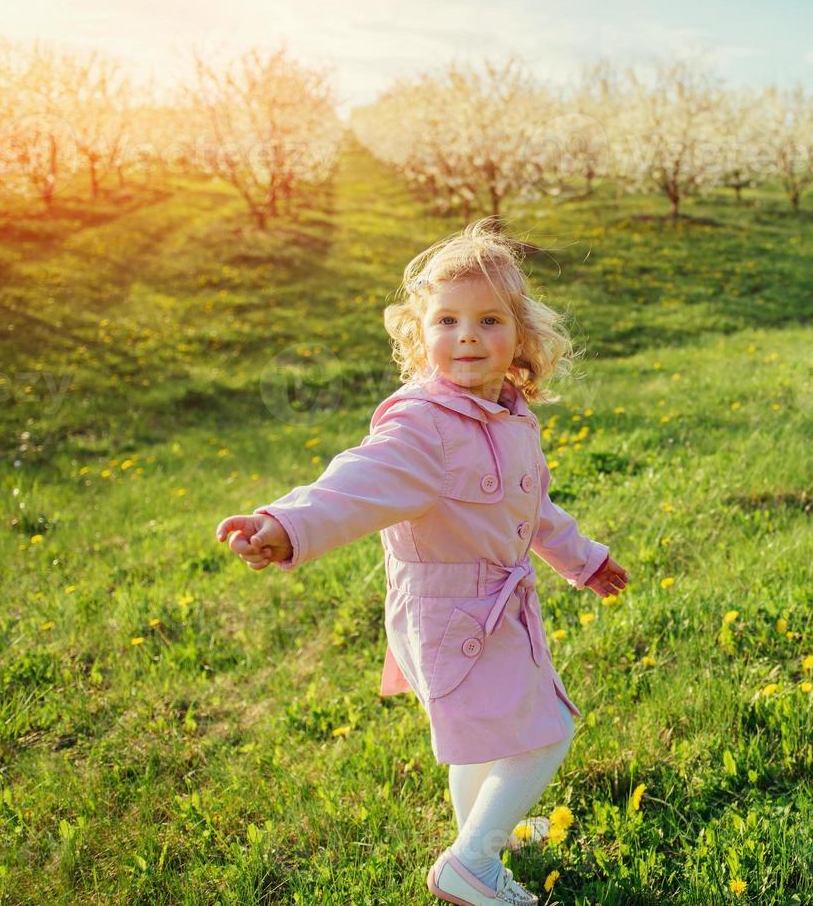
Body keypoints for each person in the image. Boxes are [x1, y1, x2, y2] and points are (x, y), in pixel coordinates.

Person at [215, 217, 629, 905]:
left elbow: (532, 509)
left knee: (480, 738)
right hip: (454, 612)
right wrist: (285, 523)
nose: (466, 335)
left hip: (487, 606)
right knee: (547, 731)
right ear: (420, 333)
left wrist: (582, 560)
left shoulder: (507, 413)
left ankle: (481, 832)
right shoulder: (423, 425)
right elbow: (357, 481)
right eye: (447, 320)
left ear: (520, 337)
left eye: (489, 319)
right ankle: (471, 862)